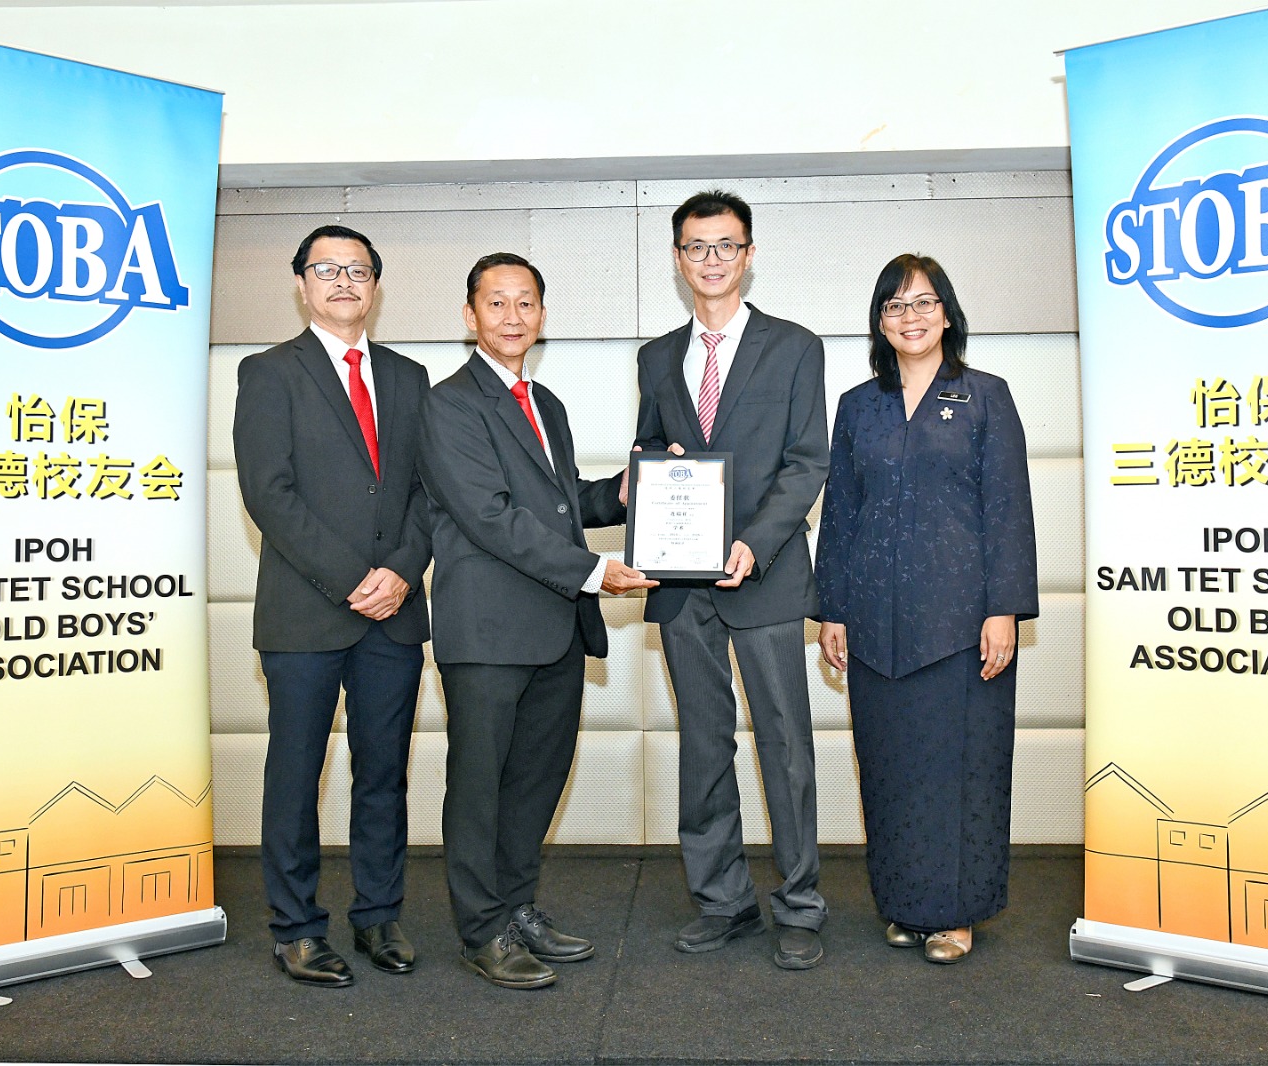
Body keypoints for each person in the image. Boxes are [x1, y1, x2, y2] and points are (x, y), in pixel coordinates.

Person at [419, 252, 656, 989]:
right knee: (480, 786)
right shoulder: (450, 405)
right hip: (488, 633)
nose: (512, 316)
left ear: (543, 315)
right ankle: (481, 929)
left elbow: (560, 502)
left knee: (534, 781)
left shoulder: (543, 402)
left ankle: (516, 906)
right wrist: (595, 572)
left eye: (526, 303)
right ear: (470, 316)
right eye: (496, 303)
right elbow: (490, 516)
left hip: (553, 628)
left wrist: (625, 491)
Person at [815, 254, 1038, 964]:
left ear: (947, 314)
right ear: (879, 322)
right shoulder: (858, 406)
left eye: (923, 303)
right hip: (874, 625)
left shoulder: (986, 396)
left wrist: (1004, 609)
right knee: (890, 769)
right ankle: (906, 907)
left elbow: (1008, 508)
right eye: (895, 306)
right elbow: (841, 513)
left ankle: (956, 913)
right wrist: (832, 610)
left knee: (960, 770)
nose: (910, 317)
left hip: (961, 625)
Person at [634, 190, 830, 970]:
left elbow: (806, 463)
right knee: (703, 743)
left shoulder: (796, 347)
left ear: (748, 254)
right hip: (683, 585)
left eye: (725, 246)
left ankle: (801, 904)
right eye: (696, 247)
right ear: (678, 259)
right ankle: (722, 899)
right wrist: (654, 467)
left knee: (786, 743)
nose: (710, 260)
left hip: (767, 577)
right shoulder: (656, 357)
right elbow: (650, 452)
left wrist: (755, 541)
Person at [233, 224, 431, 987]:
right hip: (307, 611)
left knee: (384, 774)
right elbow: (269, 494)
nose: (344, 281)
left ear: (376, 285)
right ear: (301, 284)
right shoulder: (268, 372)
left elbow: (428, 492)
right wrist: (355, 579)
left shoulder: (410, 377)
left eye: (358, 269)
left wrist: (403, 571)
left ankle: (378, 915)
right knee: (297, 773)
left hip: (395, 612)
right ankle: (296, 928)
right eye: (327, 269)